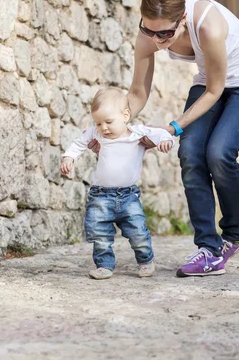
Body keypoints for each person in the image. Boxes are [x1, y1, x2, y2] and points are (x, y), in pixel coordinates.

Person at [126, 0, 239, 277]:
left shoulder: (207, 25)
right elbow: (137, 92)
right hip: (209, 83)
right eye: (149, 30)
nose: (157, 40)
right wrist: (116, 123)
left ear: (182, 20)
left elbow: (215, 90)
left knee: (219, 152)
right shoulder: (149, 36)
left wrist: (173, 127)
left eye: (165, 34)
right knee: (191, 153)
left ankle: (233, 233)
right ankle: (209, 249)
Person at [60, 87, 174, 280]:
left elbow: (161, 134)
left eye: (109, 122)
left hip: (128, 196)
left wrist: (166, 141)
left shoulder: (137, 133)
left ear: (125, 115)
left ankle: (145, 260)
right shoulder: (96, 134)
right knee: (99, 234)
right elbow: (78, 143)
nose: (103, 127)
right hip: (100, 196)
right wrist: (69, 158)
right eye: (98, 123)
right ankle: (104, 265)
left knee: (137, 231)